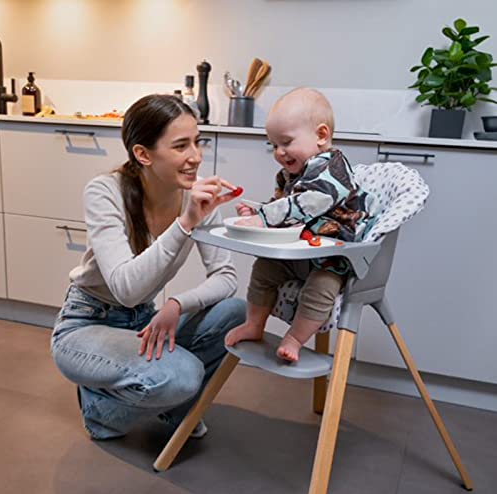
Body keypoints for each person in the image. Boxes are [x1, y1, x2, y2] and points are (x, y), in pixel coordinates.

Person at [51, 94, 246, 440]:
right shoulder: (105, 192)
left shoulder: (195, 198)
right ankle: (100, 411)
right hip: (86, 323)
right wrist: (186, 223)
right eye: (181, 146)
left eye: (197, 142)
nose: (196, 157)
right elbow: (127, 290)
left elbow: (227, 277)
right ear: (143, 154)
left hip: (144, 319)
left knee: (235, 314)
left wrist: (177, 304)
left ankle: (172, 406)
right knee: (183, 376)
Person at [225, 88, 377, 362]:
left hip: (332, 257)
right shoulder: (289, 175)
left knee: (322, 288)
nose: (279, 152)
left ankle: (295, 338)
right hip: (298, 253)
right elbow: (283, 208)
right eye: (273, 145)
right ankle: (254, 325)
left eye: (286, 142)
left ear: (321, 136)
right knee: (264, 268)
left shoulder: (333, 168)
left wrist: (265, 217)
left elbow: (311, 202)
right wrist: (258, 211)